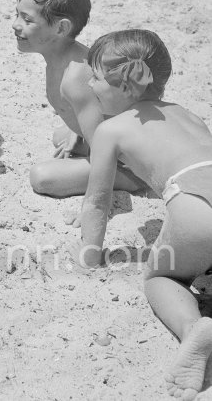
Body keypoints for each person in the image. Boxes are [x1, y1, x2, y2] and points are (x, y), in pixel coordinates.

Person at [71, 29, 212, 400]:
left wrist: (90, 251)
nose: (90, 83)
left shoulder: (111, 129)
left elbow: (97, 201)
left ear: (126, 87)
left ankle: (193, 329)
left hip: (194, 204)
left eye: (97, 77)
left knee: (161, 277)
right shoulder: (186, 113)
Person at [12, 0, 145, 199]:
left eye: (27, 19)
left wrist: (93, 205)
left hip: (128, 155)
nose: (15, 25)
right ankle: (89, 145)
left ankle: (130, 179)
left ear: (61, 28)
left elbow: (104, 148)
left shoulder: (75, 78)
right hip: (111, 139)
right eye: (16, 15)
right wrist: (80, 130)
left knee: (42, 177)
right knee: (61, 136)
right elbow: (94, 113)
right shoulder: (63, 58)